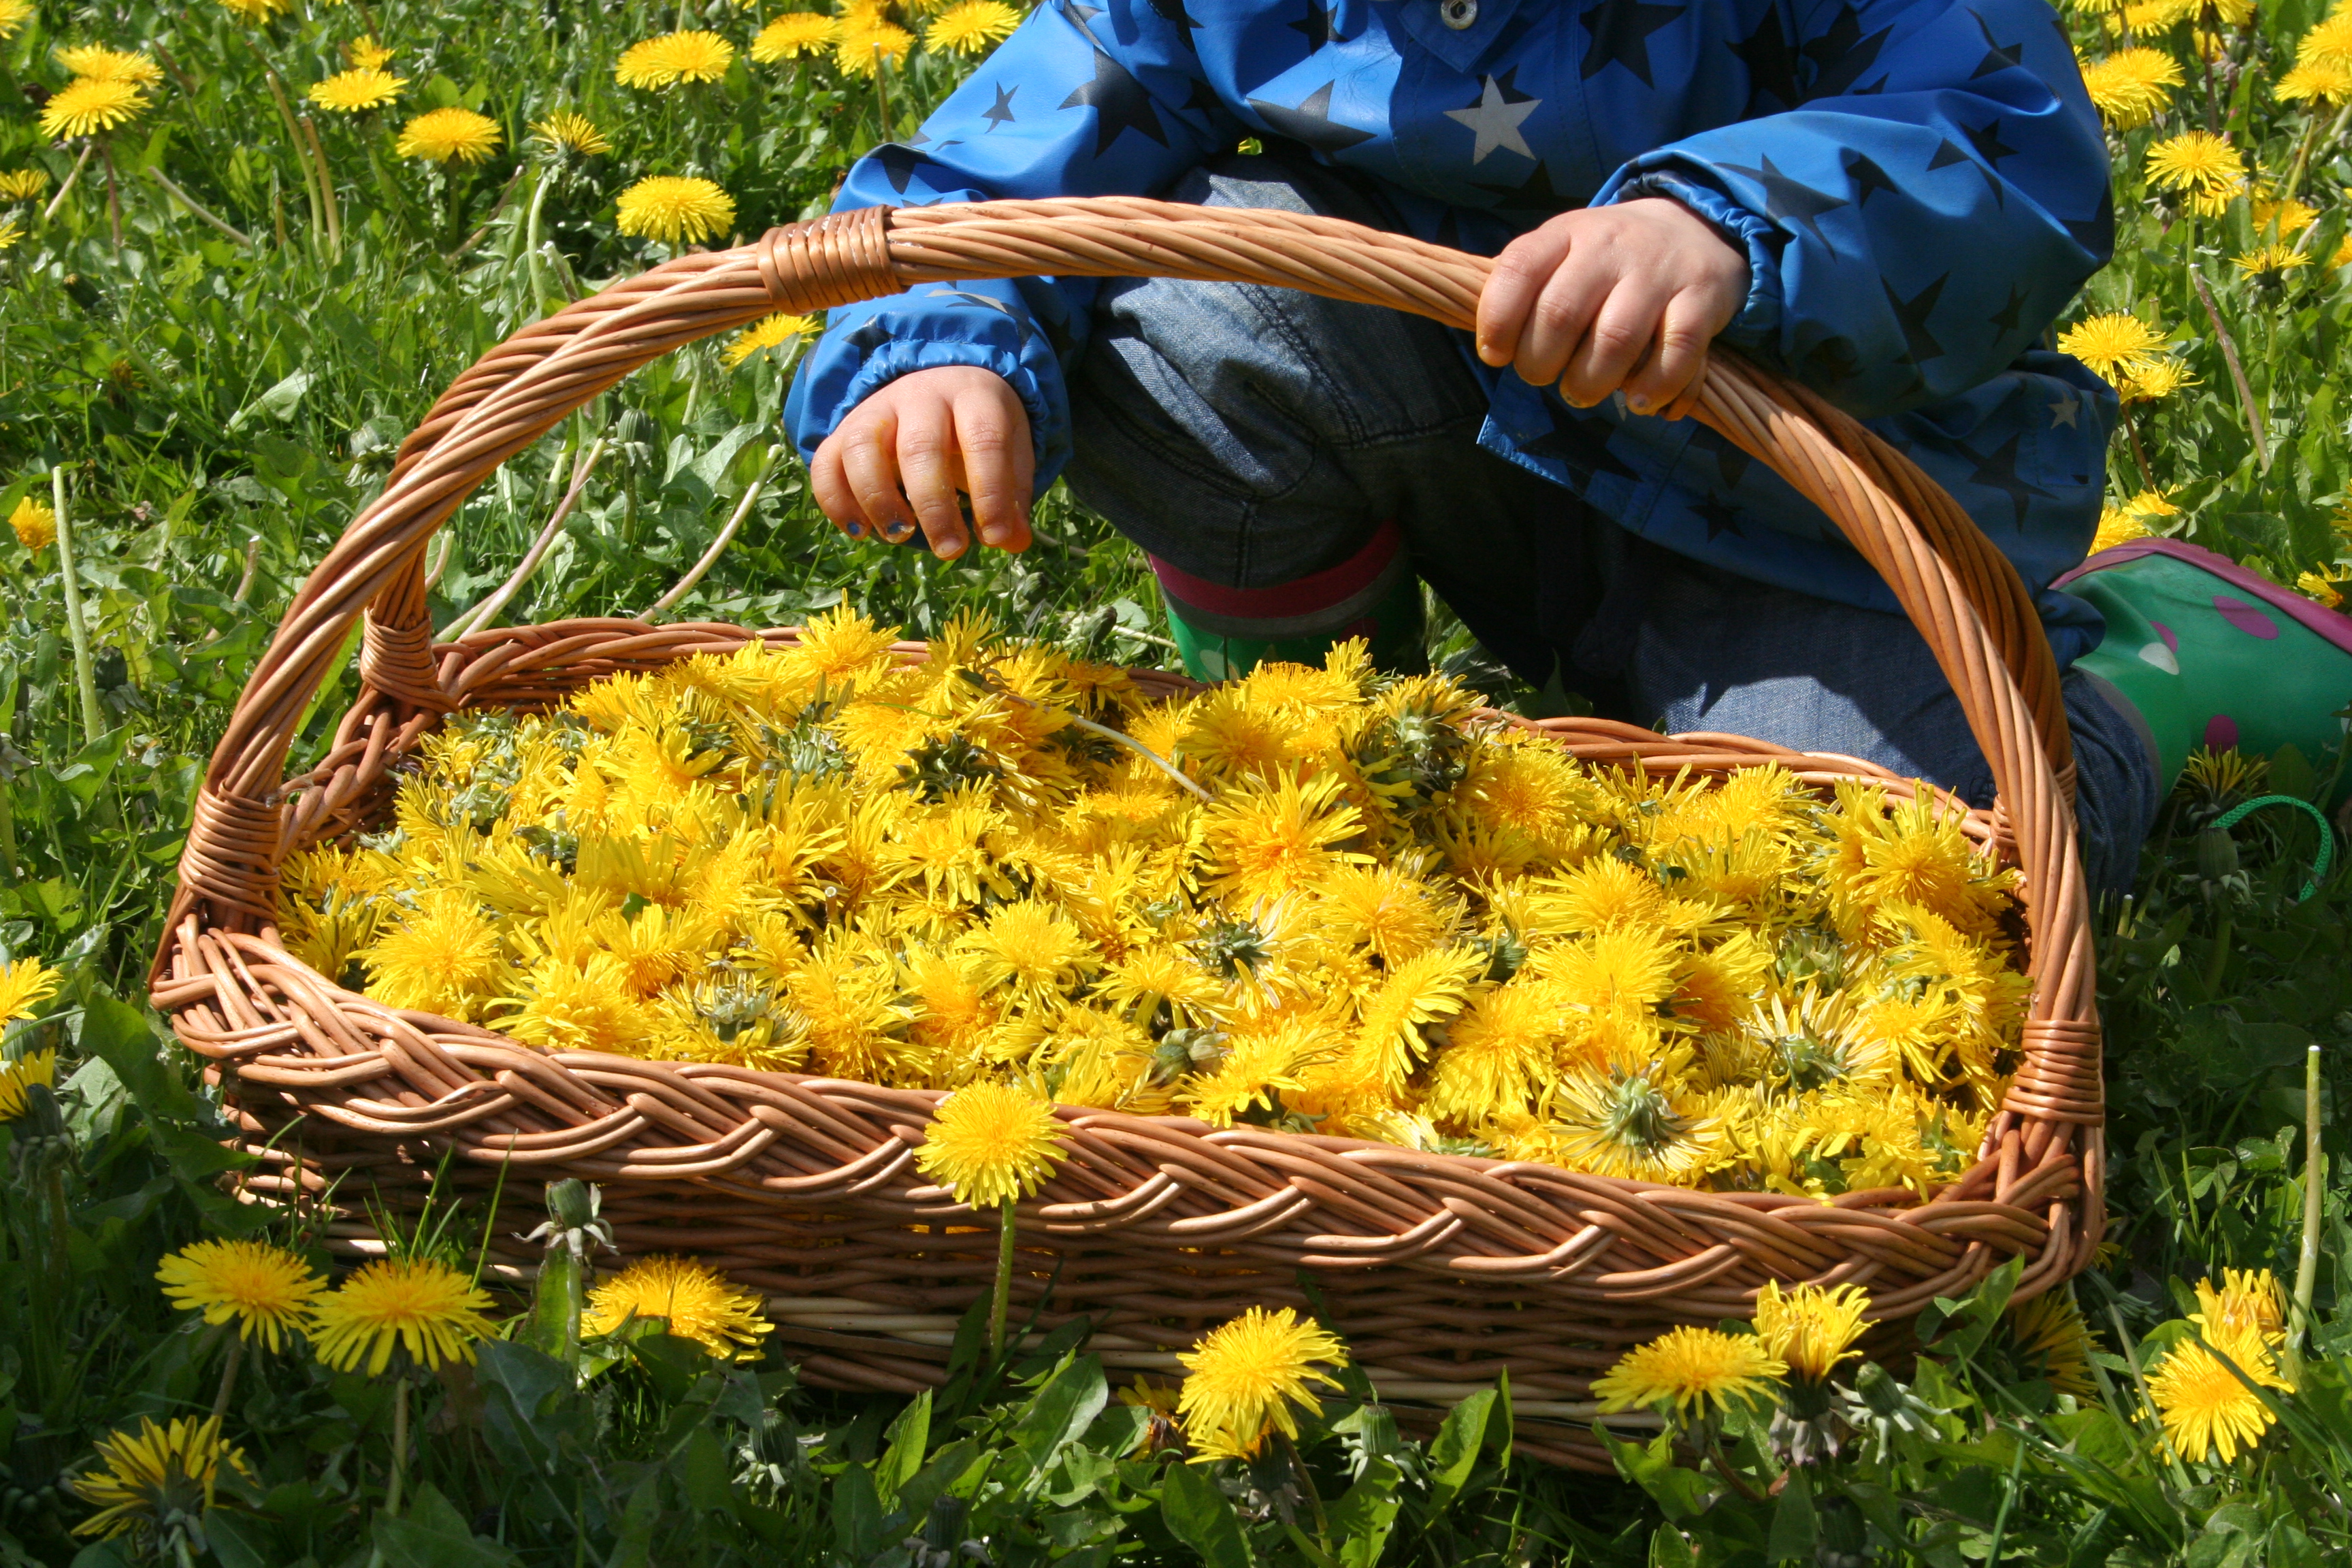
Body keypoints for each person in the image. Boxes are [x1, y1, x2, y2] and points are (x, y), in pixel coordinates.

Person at [786, 0, 2352, 900]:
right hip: (1477, 456)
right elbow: (1007, 156)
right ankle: (1331, 782)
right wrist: (928, 344)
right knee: (1194, 297)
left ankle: (2141, 690)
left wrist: (1731, 223)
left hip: (1812, 531)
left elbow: (2015, 148)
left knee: (1903, 884)